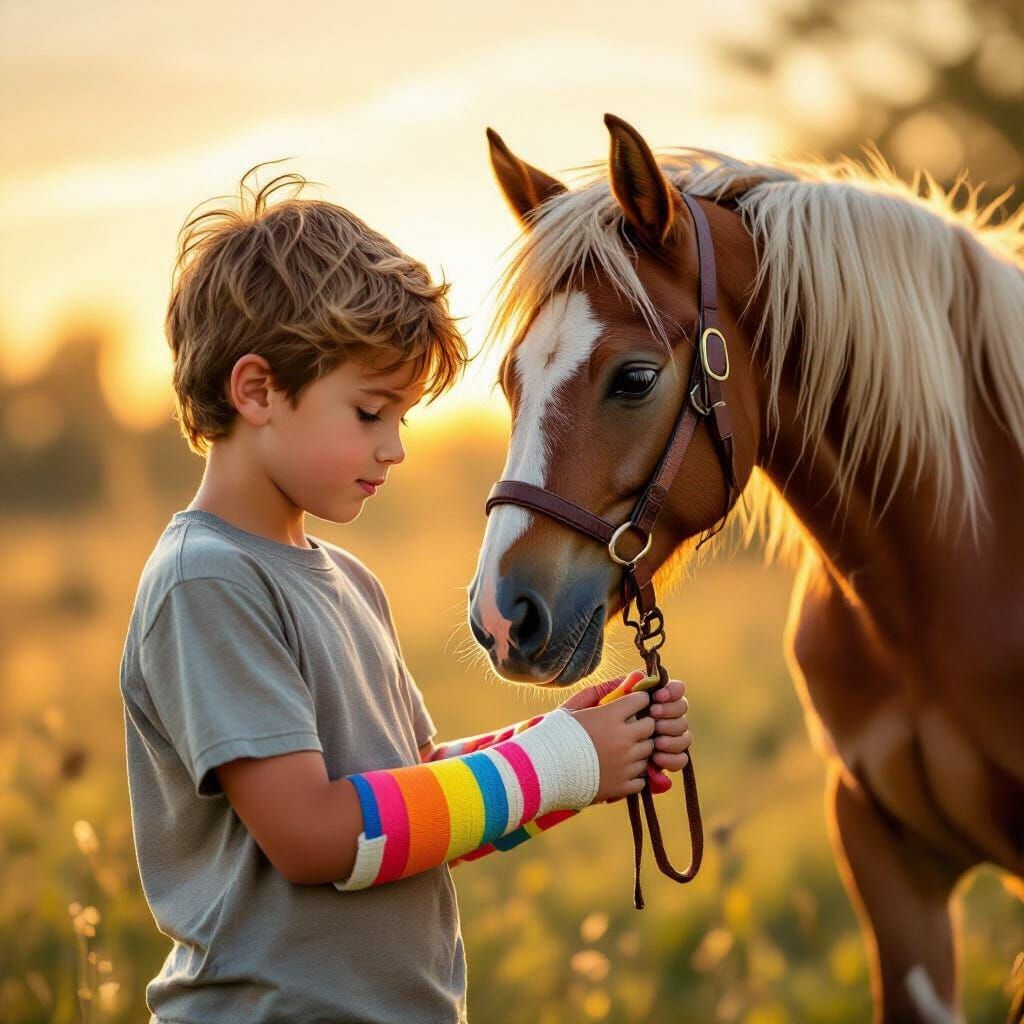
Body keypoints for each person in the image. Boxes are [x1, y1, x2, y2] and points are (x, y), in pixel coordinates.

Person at [119, 166, 692, 1024]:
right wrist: (557, 764)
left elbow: (409, 800)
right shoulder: (209, 580)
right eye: (369, 412)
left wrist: (572, 745)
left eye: (403, 418)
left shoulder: (347, 580)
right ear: (257, 391)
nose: (394, 448)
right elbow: (315, 836)